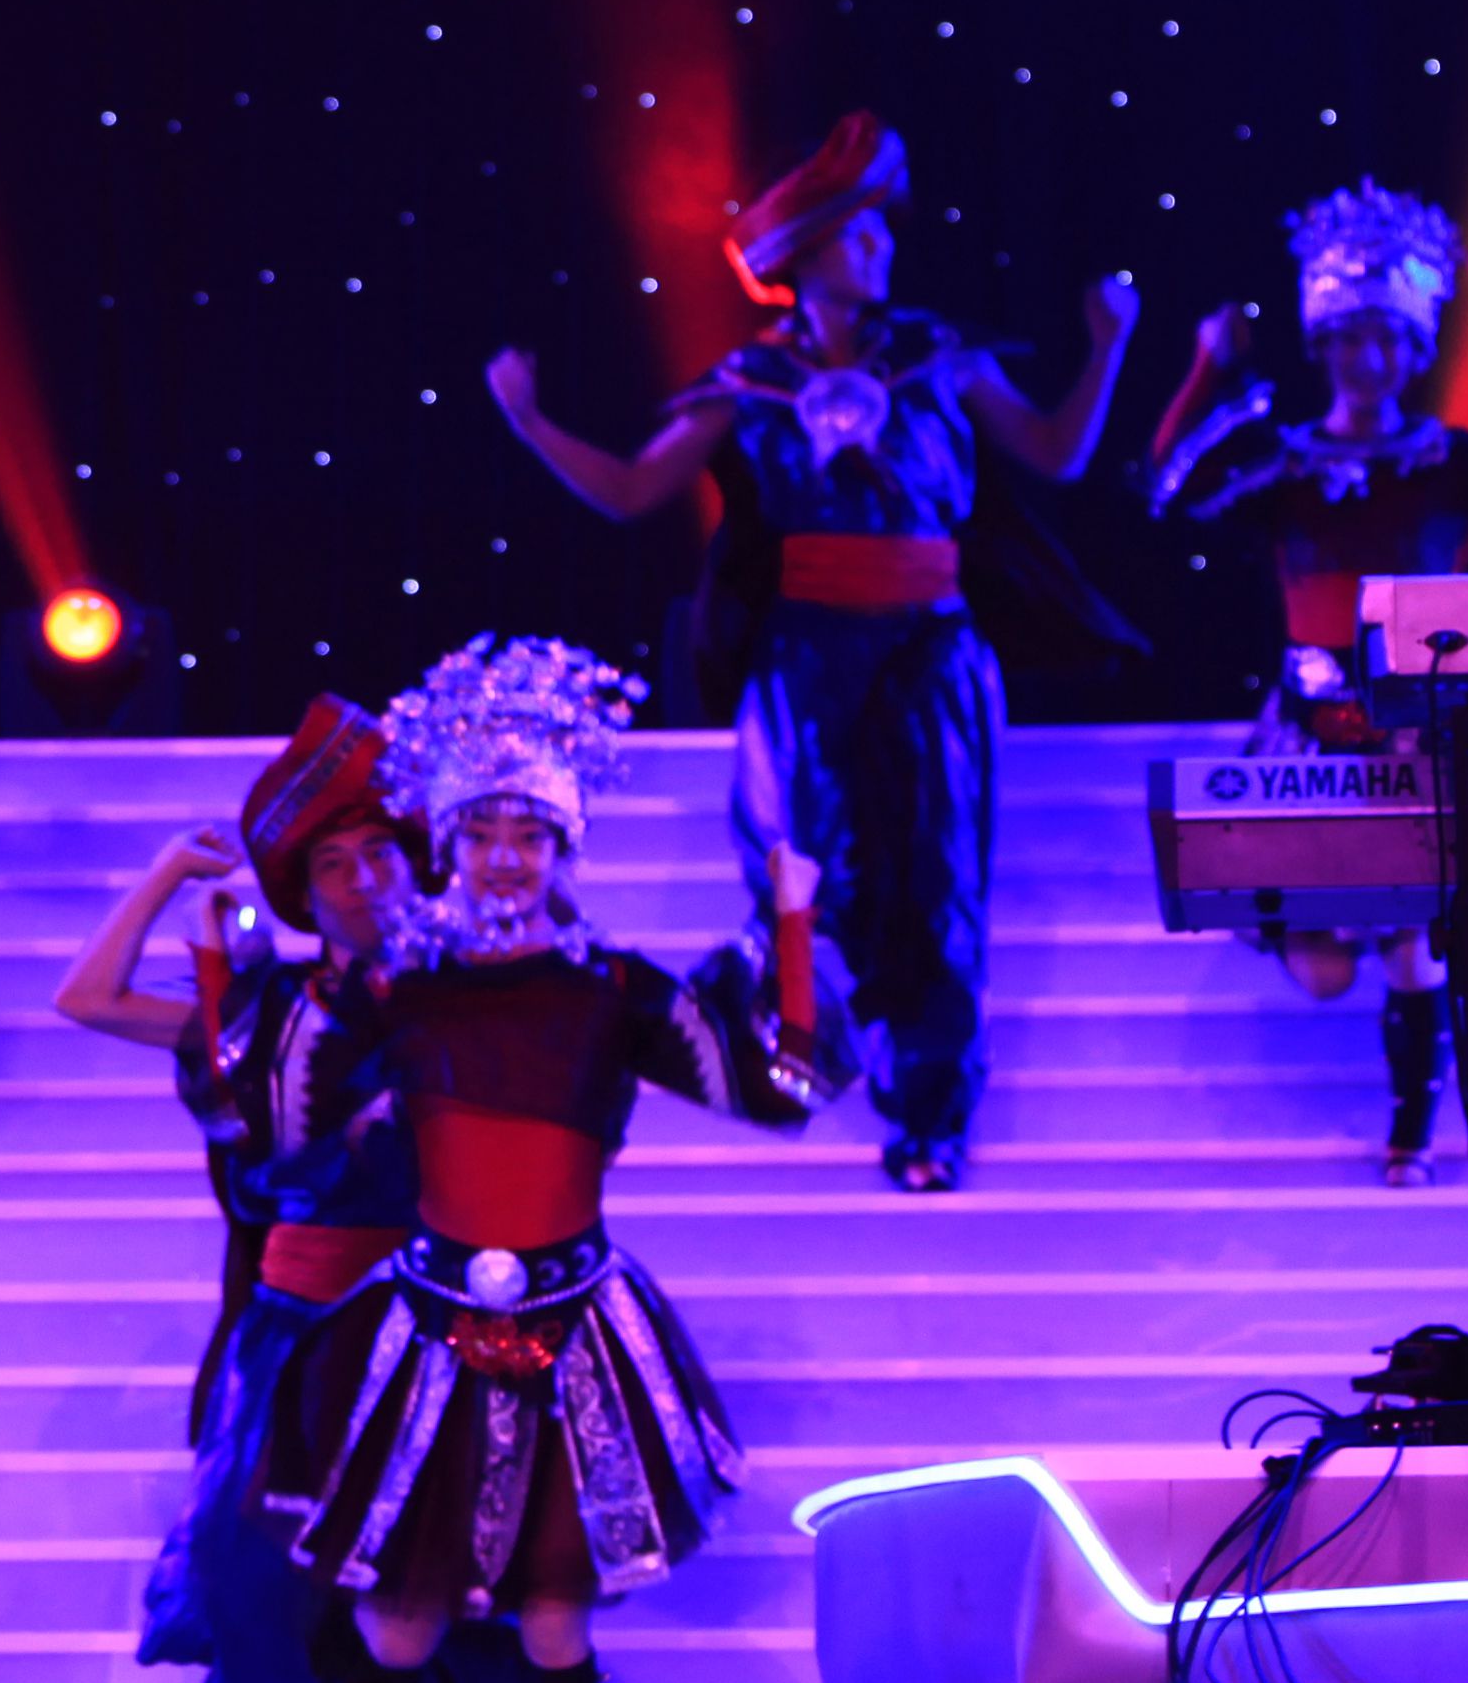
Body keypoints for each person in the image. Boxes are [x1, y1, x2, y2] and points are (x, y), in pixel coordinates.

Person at [255, 638, 842, 1683]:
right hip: (428, 1325)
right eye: (479, 833)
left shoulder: (612, 990)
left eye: (529, 835)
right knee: (397, 1631)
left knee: (555, 1616)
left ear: (565, 847)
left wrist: (790, 925)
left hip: (578, 1330)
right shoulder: (401, 985)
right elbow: (276, 1120)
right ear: (448, 843)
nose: (504, 857)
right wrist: (244, 972)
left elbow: (776, 1089)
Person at [485, 111, 1136, 1194]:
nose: (882, 248)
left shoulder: (940, 357)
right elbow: (635, 490)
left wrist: (1108, 345)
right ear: (808, 254)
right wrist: (530, 423)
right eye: (860, 234)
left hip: (931, 648)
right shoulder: (749, 381)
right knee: (807, 867)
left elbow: (1055, 454)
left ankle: (931, 1115)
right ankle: (814, 1051)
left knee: (937, 873)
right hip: (808, 656)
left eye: (884, 232)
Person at [1145, 178, 1468, 1183]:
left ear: (1414, 348)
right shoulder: (1281, 463)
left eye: (1387, 341)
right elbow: (1170, 493)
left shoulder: (1453, 462)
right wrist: (1209, 371)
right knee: (1323, 971)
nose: (1367, 362)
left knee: (1419, 941)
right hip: (1314, 728)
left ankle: (1412, 1129)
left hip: (1429, 726)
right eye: (1348, 341)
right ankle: (1373, 1011)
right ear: (1321, 346)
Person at [49, 696, 427, 1683]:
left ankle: (418, 1679)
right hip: (302, 1301)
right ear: (303, 893)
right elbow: (87, 998)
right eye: (333, 865)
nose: (363, 880)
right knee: (250, 1522)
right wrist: (167, 873)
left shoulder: (471, 996)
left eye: (380, 854)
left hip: (437, 1301)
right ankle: (261, 1668)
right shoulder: (268, 1008)